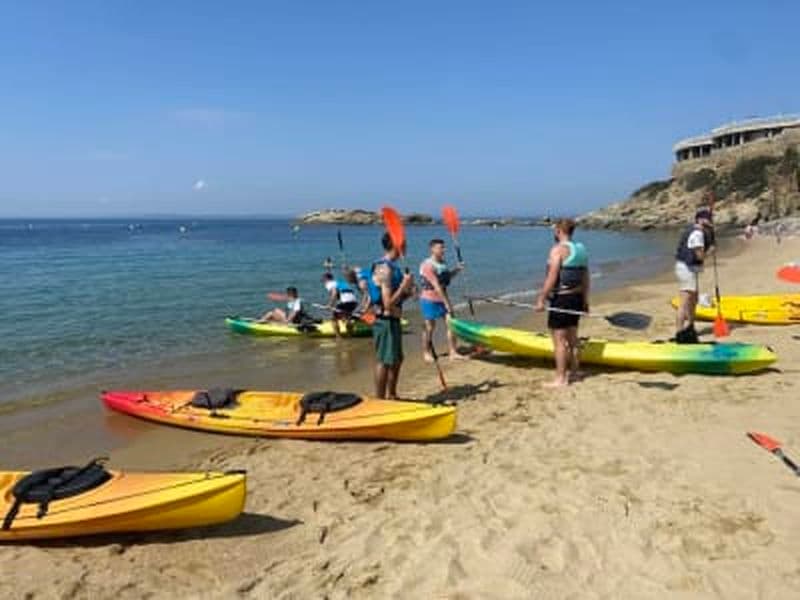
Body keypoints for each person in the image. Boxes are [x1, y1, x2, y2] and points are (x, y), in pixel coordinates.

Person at [535, 218, 589, 387]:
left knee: (559, 341)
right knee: (573, 338)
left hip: (562, 299)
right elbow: (586, 278)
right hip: (577, 298)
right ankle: (575, 372)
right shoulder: (581, 250)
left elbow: (552, 277)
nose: (554, 233)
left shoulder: (558, 250)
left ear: (559, 231)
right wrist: (585, 301)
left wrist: (541, 299)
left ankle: (561, 379)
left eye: (555, 231)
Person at [367, 233, 415, 398]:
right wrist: (403, 286)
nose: (407, 247)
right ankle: (380, 400)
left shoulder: (394, 268)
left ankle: (392, 394)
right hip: (384, 320)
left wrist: (409, 289)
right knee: (384, 361)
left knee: (397, 360)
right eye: (404, 244)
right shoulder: (384, 268)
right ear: (396, 245)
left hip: (394, 319)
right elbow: (387, 304)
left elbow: (400, 298)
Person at [419, 238, 465, 362]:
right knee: (429, 327)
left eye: (444, 247)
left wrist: (457, 270)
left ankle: (453, 352)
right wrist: (447, 304)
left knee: (452, 324)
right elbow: (437, 286)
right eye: (441, 248)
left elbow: (446, 277)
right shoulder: (427, 265)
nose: (444, 250)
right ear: (432, 249)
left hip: (442, 297)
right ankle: (426, 353)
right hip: (429, 300)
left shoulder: (442, 263)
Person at [674, 207, 715, 343]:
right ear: (699, 219)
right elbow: (700, 255)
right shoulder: (697, 234)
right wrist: (710, 252)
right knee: (685, 301)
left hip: (690, 269)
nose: (710, 221)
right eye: (707, 219)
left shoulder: (701, 232)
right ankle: (679, 332)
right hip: (686, 269)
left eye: (710, 218)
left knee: (694, 300)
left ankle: (691, 326)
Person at [322, 272, 359, 337]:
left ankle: (338, 337)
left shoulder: (330, 284)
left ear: (326, 279)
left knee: (333, 319)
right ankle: (350, 335)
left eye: (323, 280)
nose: (323, 282)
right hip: (354, 301)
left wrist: (330, 305)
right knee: (347, 317)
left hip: (345, 301)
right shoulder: (340, 283)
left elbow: (334, 293)